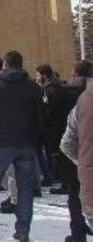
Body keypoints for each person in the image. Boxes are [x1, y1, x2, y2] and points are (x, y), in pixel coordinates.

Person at [0, 51, 43, 242]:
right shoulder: (33, 87)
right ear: (21, 64)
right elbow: (40, 117)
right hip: (26, 143)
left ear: (5, 64)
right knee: (25, 188)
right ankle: (23, 230)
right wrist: (35, 138)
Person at [57, 60, 93, 242]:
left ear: (74, 73)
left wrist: (81, 161)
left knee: (75, 194)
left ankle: (78, 232)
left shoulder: (66, 95)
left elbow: (66, 141)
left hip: (80, 159)